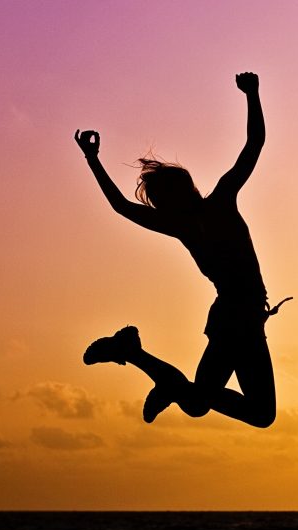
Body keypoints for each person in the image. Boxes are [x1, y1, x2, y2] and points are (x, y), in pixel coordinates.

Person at [74, 72, 286, 428]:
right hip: (238, 318)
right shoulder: (208, 209)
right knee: (238, 409)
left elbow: (254, 146)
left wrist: (92, 158)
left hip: (239, 316)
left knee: (205, 403)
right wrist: (252, 93)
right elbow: (255, 145)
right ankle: (140, 359)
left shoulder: (192, 219)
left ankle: (141, 360)